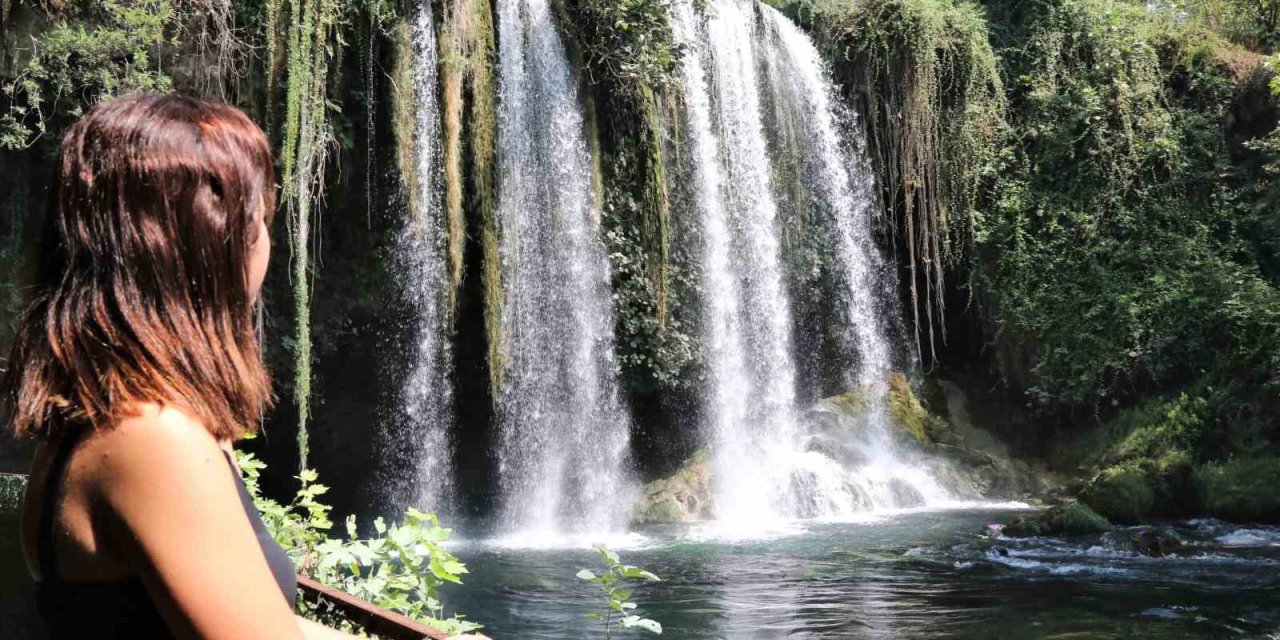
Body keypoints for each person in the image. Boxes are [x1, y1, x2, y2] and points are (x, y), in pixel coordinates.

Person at [2, 94, 360, 639]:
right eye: (259, 218)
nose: (268, 238)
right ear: (211, 244)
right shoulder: (150, 437)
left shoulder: (119, 418)